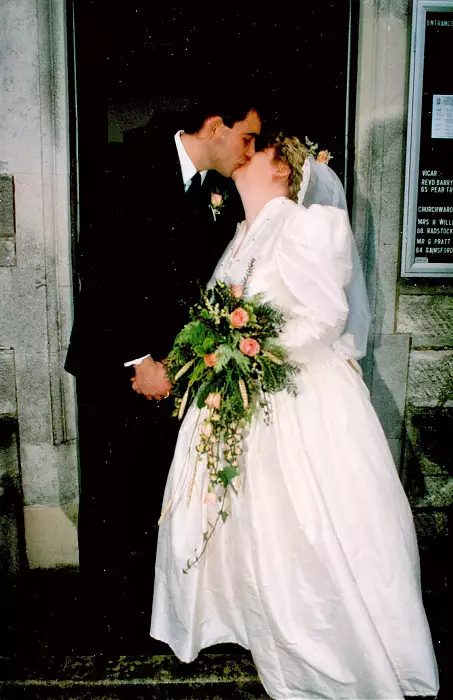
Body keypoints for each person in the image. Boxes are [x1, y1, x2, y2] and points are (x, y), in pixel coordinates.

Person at [150, 135, 439, 698]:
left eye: (255, 147)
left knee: (304, 519)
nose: (241, 152)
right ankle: (239, 617)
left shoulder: (307, 226)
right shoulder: (238, 235)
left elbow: (326, 317)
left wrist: (255, 342)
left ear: (281, 167)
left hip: (297, 395)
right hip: (240, 391)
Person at [64, 95, 262, 646]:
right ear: (216, 128)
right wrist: (138, 358)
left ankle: (148, 618)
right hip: (118, 363)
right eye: (246, 138)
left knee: (155, 488)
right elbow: (98, 263)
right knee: (113, 492)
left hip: (176, 369)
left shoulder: (214, 190)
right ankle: (106, 624)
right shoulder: (129, 165)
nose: (248, 151)